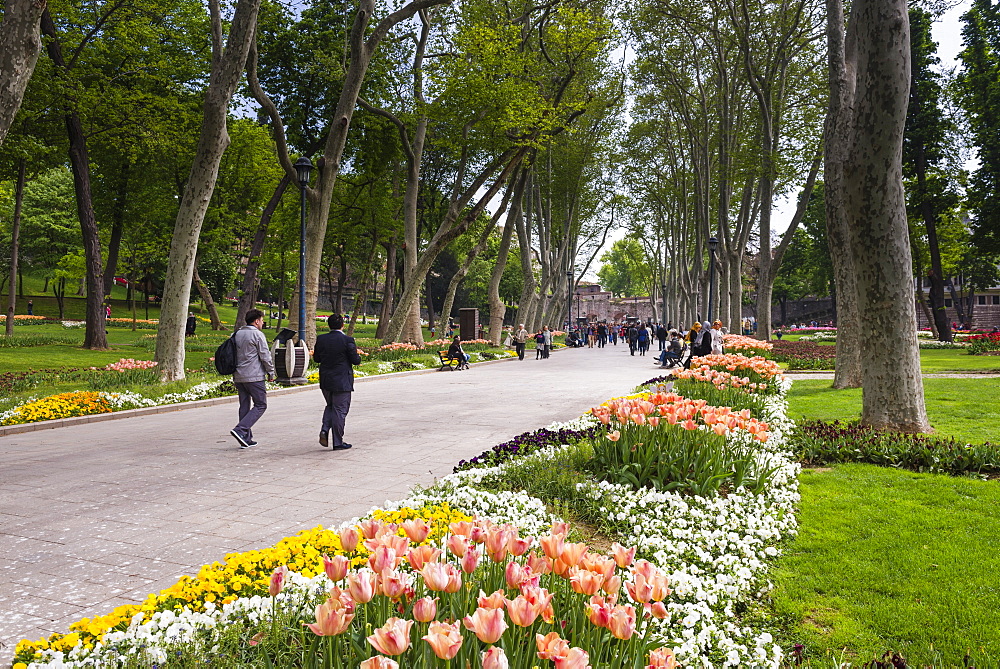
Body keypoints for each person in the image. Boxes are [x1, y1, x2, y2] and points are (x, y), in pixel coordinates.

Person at [312, 313, 363, 449]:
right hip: (342, 381)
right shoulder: (348, 340)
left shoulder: (321, 339)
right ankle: (338, 441)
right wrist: (358, 356)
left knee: (330, 405)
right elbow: (355, 360)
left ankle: (324, 429)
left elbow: (316, 358)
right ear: (342, 325)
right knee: (340, 410)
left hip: (326, 379)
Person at [230, 309, 275, 449]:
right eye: (262, 320)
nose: (262, 323)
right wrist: (271, 372)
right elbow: (265, 356)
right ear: (256, 321)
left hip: (239, 376)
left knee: (244, 405)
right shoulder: (257, 335)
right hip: (254, 376)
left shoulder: (236, 334)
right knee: (261, 404)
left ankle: (245, 438)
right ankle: (241, 429)